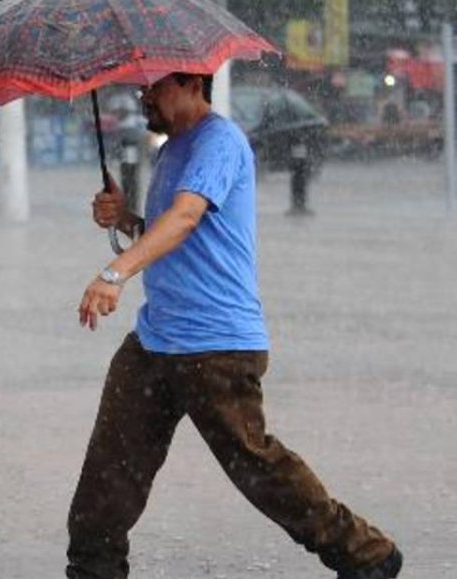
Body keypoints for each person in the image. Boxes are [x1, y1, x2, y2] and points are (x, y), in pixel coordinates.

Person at [67, 72, 402, 579]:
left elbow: (185, 218)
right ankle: (93, 569)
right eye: (142, 89)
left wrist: (115, 274)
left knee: (257, 467)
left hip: (216, 346)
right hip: (155, 341)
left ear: (191, 82)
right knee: (109, 469)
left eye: (154, 87)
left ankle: (366, 553)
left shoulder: (219, 141)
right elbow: (168, 232)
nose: (143, 97)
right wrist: (126, 219)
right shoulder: (171, 150)